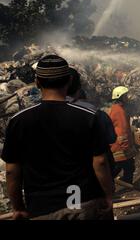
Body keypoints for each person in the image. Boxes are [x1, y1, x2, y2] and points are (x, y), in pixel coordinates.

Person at [1, 55, 113, 220]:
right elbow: (100, 162)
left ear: (37, 82)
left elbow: (11, 171)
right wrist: (109, 195)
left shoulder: (18, 121)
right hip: (83, 203)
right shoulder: (89, 116)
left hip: (41, 208)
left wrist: (18, 207)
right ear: (68, 81)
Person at [66, 67, 117, 178]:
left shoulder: (30, 117)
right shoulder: (96, 114)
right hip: (94, 178)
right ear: (79, 89)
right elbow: (111, 139)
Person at [109, 86, 137, 184]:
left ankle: (126, 181)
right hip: (120, 146)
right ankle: (104, 184)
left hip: (120, 145)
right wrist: (125, 145)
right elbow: (122, 129)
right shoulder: (118, 111)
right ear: (120, 97)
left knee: (127, 165)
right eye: (125, 95)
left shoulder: (117, 108)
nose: (127, 97)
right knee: (121, 165)